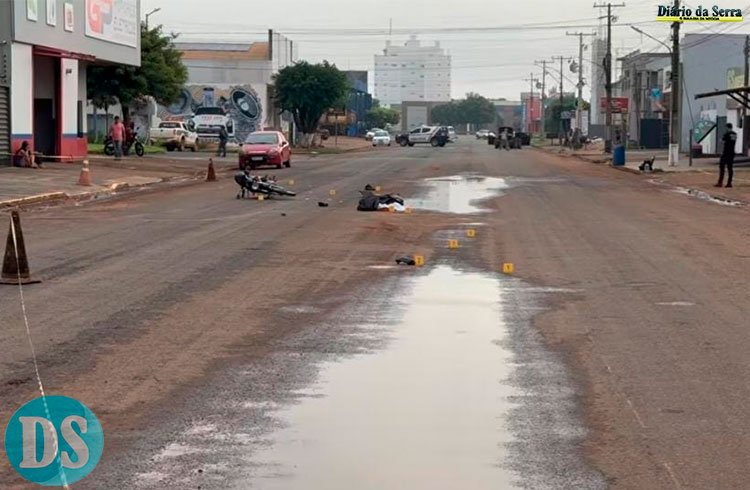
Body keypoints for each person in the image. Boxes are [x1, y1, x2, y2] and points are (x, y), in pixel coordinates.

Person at [717, 123, 737, 188]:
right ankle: (729, 183)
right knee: (730, 168)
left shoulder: (726, 134)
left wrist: (721, 140)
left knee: (722, 166)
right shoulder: (735, 134)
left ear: (727, 127)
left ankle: (720, 182)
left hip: (726, 152)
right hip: (732, 152)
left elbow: (722, 141)